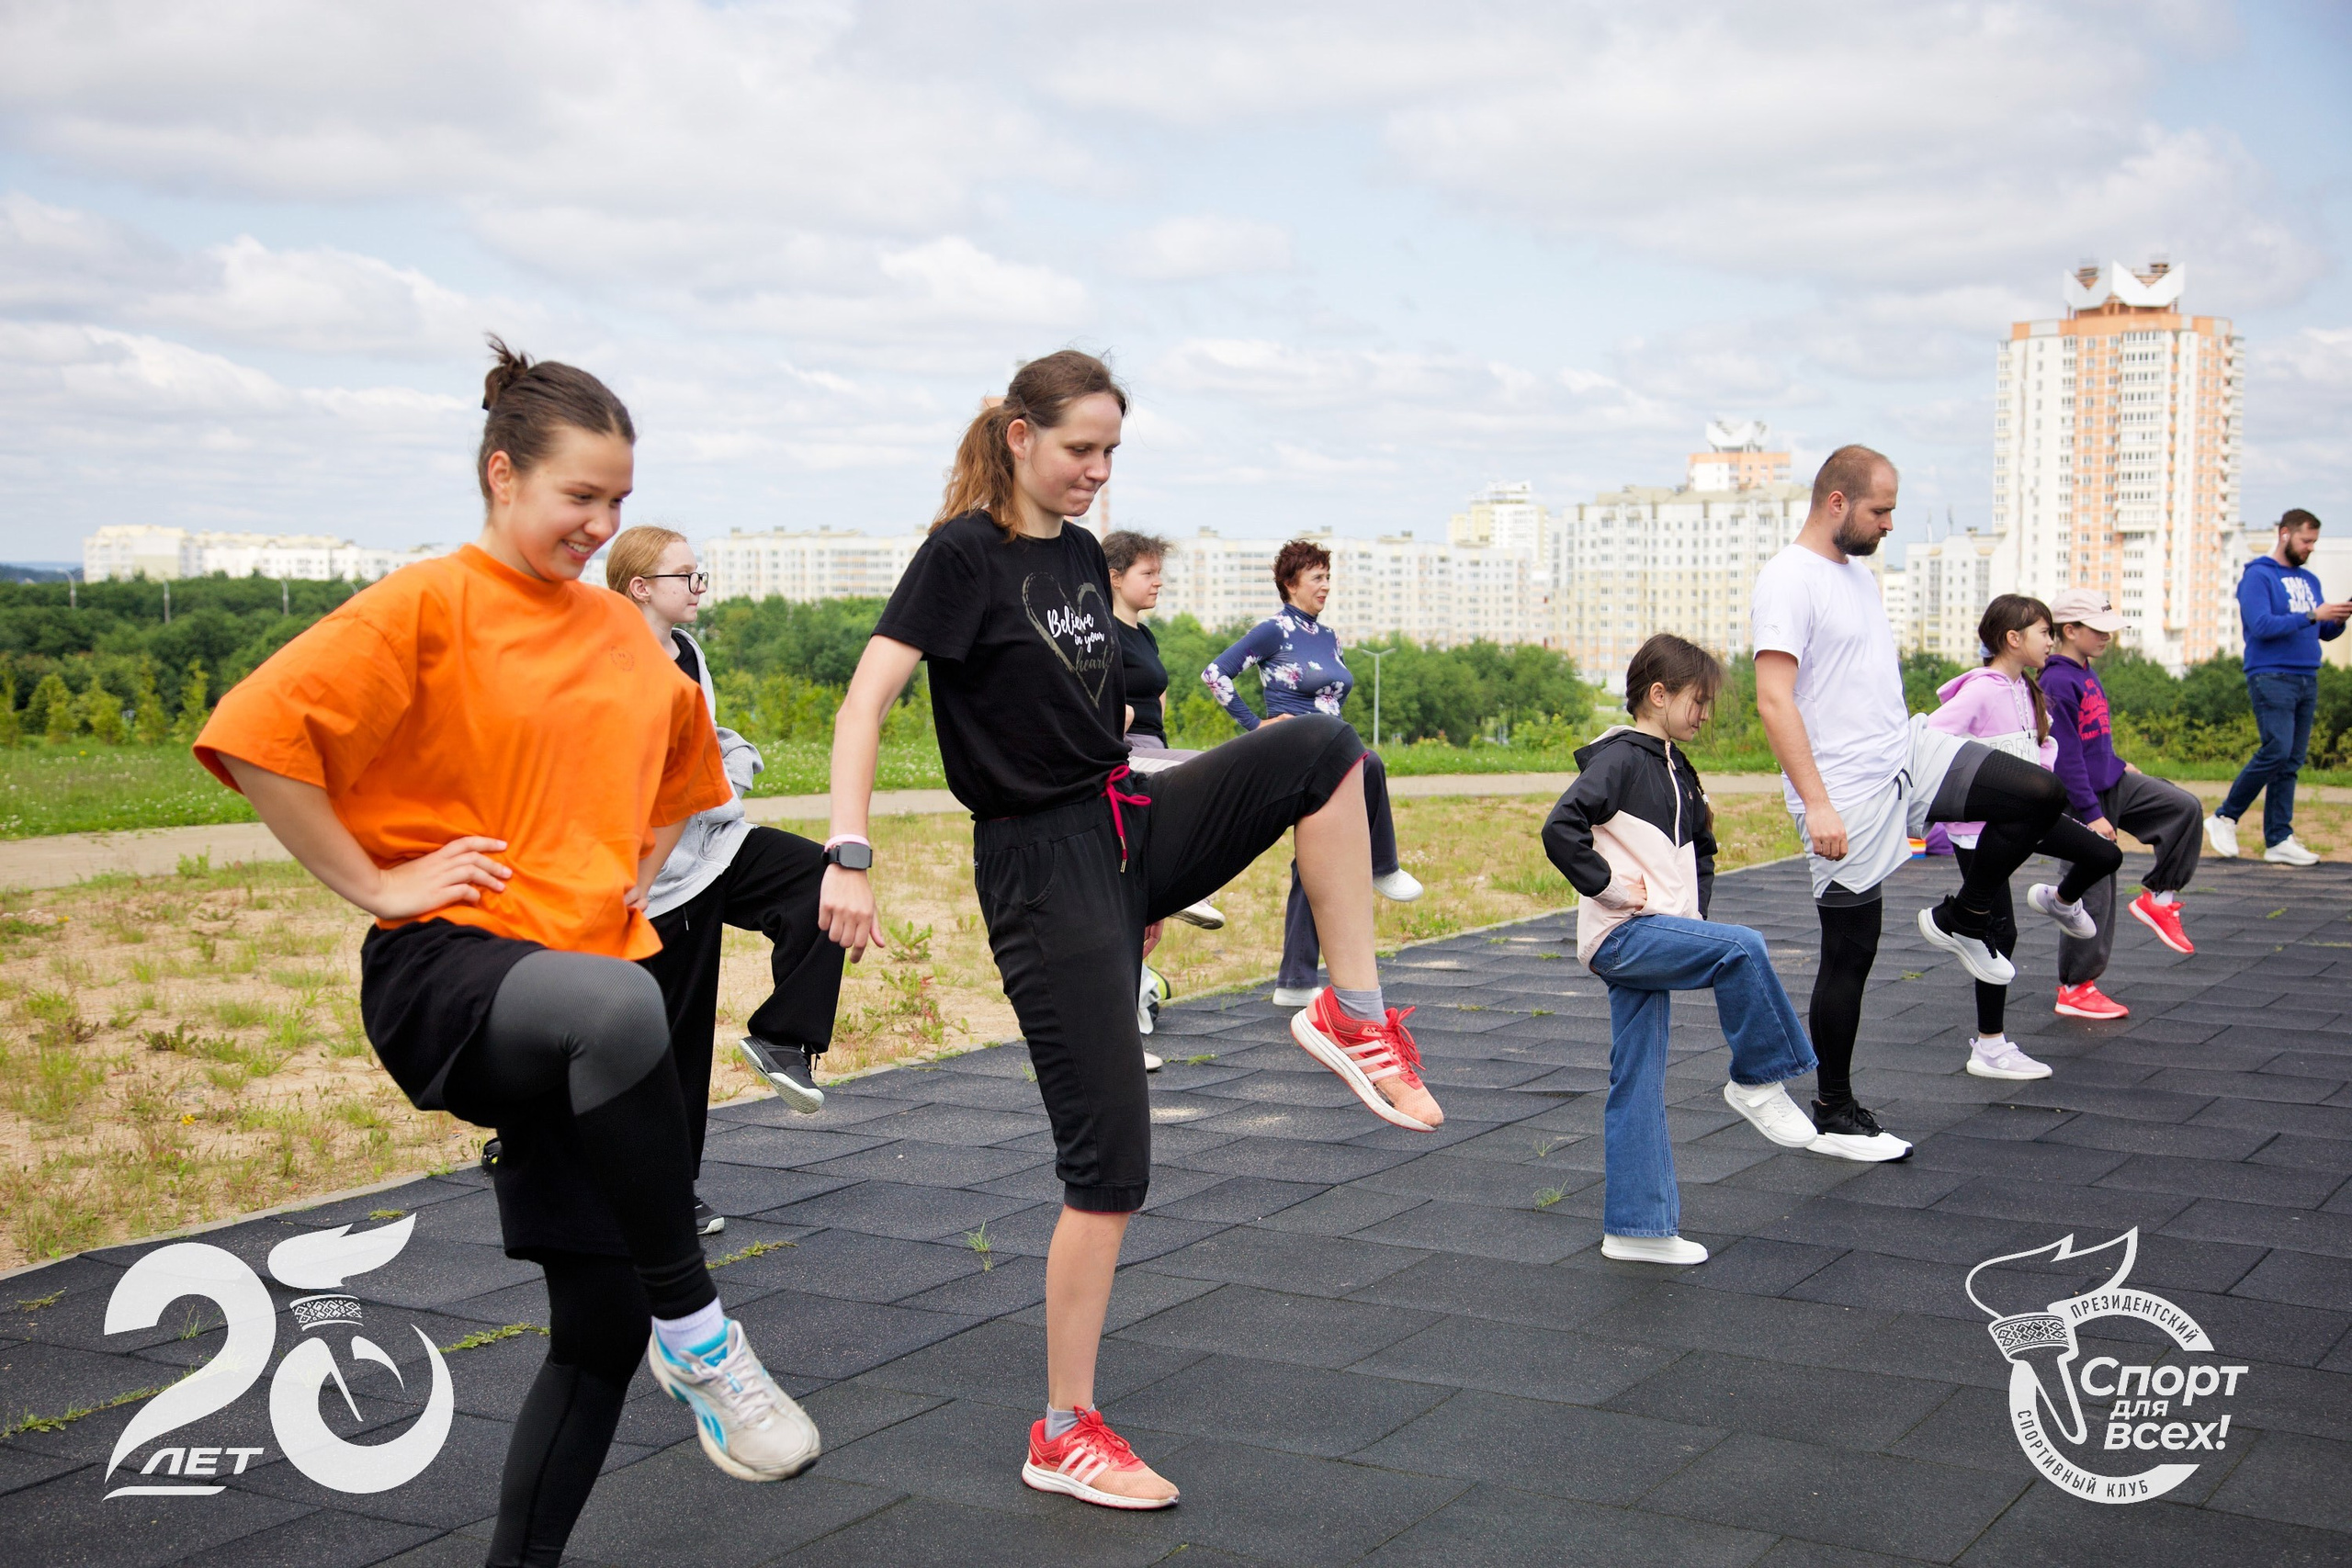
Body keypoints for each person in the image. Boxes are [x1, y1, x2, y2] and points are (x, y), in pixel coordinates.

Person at [193, 340, 819, 1568]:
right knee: (619, 1019)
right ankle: (702, 1334)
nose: (601, 523)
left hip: (590, 1002)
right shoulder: (432, 601)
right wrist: (374, 880)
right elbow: (262, 733)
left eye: (620, 502)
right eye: (579, 496)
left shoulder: (628, 641)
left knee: (594, 1322)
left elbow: (681, 790)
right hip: (454, 972)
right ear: (502, 474)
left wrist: (621, 880)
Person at [820, 351, 1443, 1511]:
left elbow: (1097, 710)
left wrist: (1151, 861)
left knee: (1325, 755)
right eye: (1078, 451)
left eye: (1112, 453)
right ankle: (1062, 1430)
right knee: (1111, 1165)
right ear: (1018, 437)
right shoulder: (962, 556)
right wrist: (848, 852)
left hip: (1127, 822)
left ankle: (1349, 1012)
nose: (1097, 475)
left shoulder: (1072, 555)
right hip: (1039, 869)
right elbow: (864, 703)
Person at [1751, 444, 2086, 1161]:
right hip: (1844, 785)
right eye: (1882, 509)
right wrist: (1816, 803)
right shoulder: (1788, 578)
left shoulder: (1862, 578)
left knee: (2037, 791)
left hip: (1906, 750)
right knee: (1851, 953)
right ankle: (1835, 1111)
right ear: (1837, 502)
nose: (1890, 523)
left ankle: (1963, 915)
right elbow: (1774, 699)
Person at [1543, 635, 1823, 1261]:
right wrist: (1610, 886)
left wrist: (1695, 922)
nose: (1704, 714)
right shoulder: (1618, 759)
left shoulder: (1678, 769)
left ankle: (1636, 1229)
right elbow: (1559, 828)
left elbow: (1703, 852)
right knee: (1743, 950)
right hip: (1624, 934)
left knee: (1636, 1076)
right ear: (1658, 694)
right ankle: (1757, 1079)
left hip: (1659, 933)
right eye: (1698, 701)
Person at [605, 525, 847, 1235]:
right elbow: (655, 780)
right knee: (672, 1043)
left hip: (715, 847)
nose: (700, 588)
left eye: (700, 574)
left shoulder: (688, 652)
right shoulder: (613, 666)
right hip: (661, 878)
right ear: (640, 588)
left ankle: (784, 1039)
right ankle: (663, 1193)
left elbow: (703, 743)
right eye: (688, 577)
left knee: (819, 878)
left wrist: (735, 755)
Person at [1204, 539, 1422, 1007]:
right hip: (1298, 751)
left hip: (1331, 746)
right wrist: (1257, 726)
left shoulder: (1328, 636)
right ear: (1290, 583)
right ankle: (1383, 866)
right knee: (1371, 763)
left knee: (1314, 862)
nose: (1326, 585)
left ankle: (1296, 981)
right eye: (1317, 576)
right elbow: (1215, 675)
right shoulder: (1273, 630)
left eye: (1328, 576)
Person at [1925, 594, 2124, 1067]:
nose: (2051, 641)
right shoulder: (1982, 690)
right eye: (2044, 633)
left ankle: (2059, 900)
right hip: (1979, 830)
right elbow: (1931, 738)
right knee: (2000, 933)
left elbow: (2042, 747)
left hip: (2026, 819)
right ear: (2013, 638)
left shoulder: (2027, 690)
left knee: (2105, 856)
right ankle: (1989, 1046)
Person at [2038, 589, 2206, 1019]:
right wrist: (2092, 815)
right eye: (2099, 630)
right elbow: (2067, 754)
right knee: (2093, 891)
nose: (2108, 637)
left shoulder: (2085, 668)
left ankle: (2160, 899)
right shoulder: (2057, 679)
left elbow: (2093, 735)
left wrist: (2115, 761)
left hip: (2113, 780)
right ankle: (2076, 987)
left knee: (2182, 808)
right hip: (2082, 799)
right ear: (2070, 631)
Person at [2207, 508, 2349, 866]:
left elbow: (2322, 632)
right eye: (2306, 540)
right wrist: (2313, 615)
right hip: (2271, 675)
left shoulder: (2309, 580)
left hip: (2307, 675)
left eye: (2314, 541)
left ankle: (2279, 838)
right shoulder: (2258, 576)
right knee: (2277, 749)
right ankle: (2224, 816)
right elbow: (2262, 625)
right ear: (2285, 533)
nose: (2310, 548)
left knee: (2291, 761)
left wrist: (2338, 618)